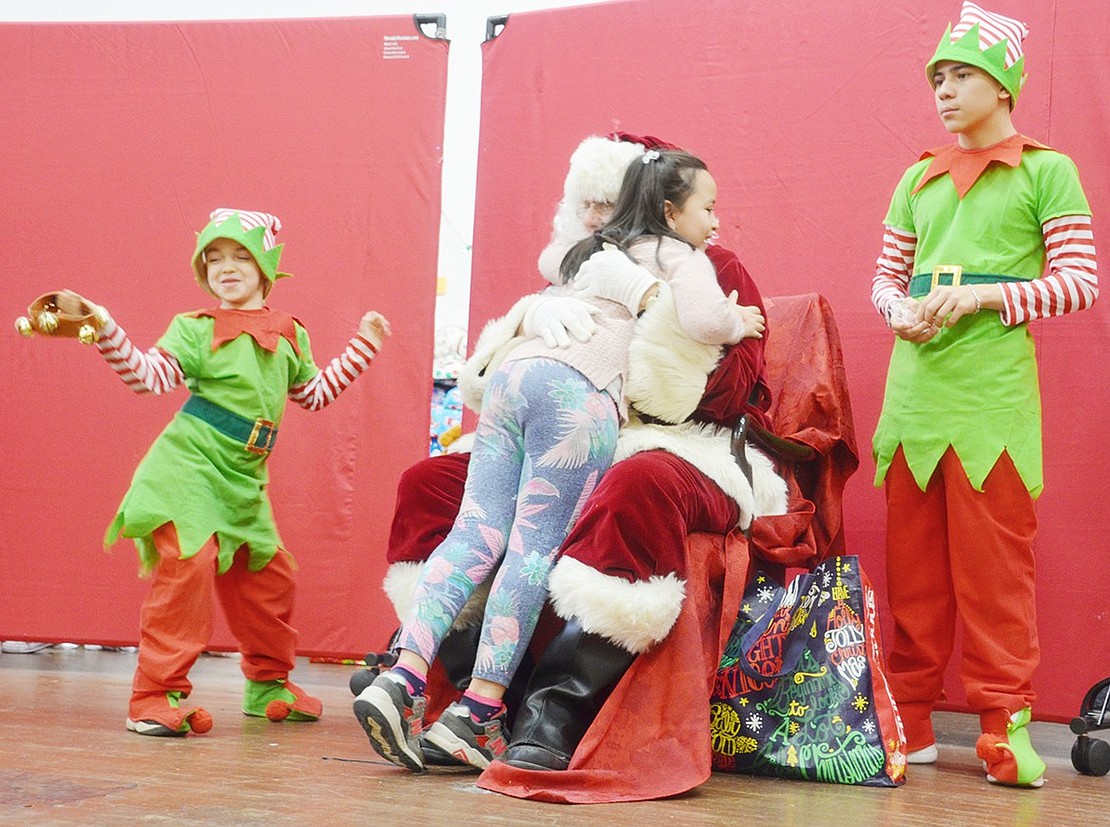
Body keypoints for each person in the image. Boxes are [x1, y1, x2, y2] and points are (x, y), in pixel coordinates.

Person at [354, 148, 766, 772]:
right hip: (579, 395)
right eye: (708, 207)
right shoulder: (677, 256)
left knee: (473, 533)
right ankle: (480, 709)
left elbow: (502, 346)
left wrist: (531, 313)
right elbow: (699, 326)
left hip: (512, 382)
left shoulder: (583, 257)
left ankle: (403, 672)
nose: (715, 221)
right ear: (666, 207)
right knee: (528, 550)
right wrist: (737, 321)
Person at [869, 2, 1098, 788]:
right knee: (915, 571)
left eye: (961, 74)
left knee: (998, 575)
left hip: (992, 401)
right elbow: (884, 279)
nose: (944, 89)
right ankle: (913, 716)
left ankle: (1005, 723)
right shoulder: (916, 178)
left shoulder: (1046, 170)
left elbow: (1078, 283)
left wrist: (979, 299)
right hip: (915, 399)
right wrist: (901, 310)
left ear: (1003, 85)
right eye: (937, 76)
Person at [67, 208, 391, 736]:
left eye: (241, 255)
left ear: (266, 265)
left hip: (243, 477)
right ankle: (152, 695)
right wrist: (104, 326)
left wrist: (363, 347)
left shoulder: (290, 333)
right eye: (213, 258)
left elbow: (312, 395)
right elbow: (148, 378)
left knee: (268, 577)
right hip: (187, 466)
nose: (227, 266)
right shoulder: (195, 329)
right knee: (188, 568)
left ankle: (268, 687)